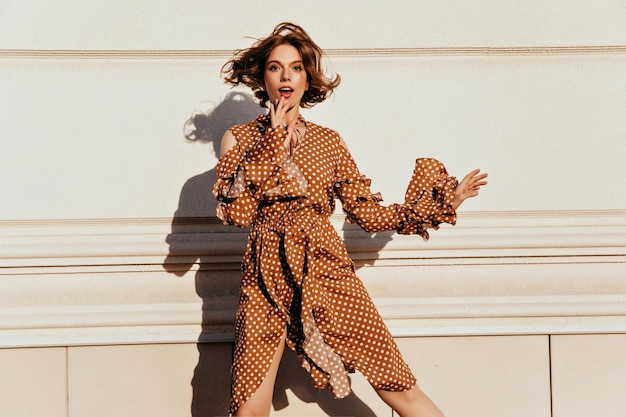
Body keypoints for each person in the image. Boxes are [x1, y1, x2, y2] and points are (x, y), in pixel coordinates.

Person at [213, 22, 488, 417]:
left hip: (326, 269)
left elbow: (368, 213)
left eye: (296, 67)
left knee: (397, 385)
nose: (286, 75)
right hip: (266, 276)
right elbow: (238, 213)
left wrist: (445, 202)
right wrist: (273, 139)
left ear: (308, 78)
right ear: (264, 79)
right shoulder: (239, 139)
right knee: (248, 407)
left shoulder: (328, 141)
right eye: (275, 67)